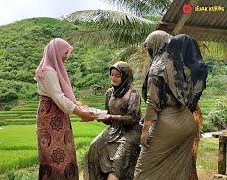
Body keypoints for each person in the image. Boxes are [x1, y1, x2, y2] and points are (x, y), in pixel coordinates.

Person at [134, 30, 208, 180]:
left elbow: (152, 102)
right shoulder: (182, 66)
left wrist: (145, 130)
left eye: (149, 48)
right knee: (177, 172)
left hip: (167, 124)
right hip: (187, 123)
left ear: (155, 46)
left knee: (143, 172)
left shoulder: (156, 68)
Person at [35, 38, 96, 180]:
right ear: (56, 53)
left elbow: (60, 96)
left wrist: (78, 105)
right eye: (64, 54)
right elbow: (59, 98)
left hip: (57, 117)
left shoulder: (50, 69)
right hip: (51, 119)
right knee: (55, 159)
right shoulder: (48, 71)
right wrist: (80, 113)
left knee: (64, 155)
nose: (66, 57)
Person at [83, 61, 141, 180]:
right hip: (114, 130)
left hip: (130, 132)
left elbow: (133, 118)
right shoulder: (110, 93)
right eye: (112, 75)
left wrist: (110, 117)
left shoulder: (133, 93)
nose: (113, 78)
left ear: (125, 77)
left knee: (119, 159)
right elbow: (108, 117)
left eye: (117, 75)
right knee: (93, 148)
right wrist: (98, 116)